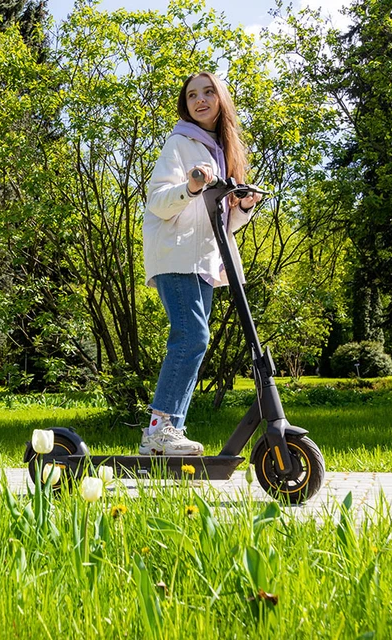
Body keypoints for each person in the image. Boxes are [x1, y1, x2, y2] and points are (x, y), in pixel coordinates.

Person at [140, 71, 262, 456]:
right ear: (186, 105)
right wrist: (190, 186)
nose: (201, 100)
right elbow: (158, 201)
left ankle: (168, 433)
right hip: (177, 254)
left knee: (194, 340)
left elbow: (222, 220)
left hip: (203, 259)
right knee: (192, 338)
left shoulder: (222, 151)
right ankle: (159, 432)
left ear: (221, 99)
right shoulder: (179, 143)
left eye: (208, 92)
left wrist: (241, 208)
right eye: (193, 95)